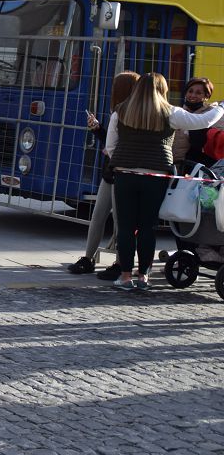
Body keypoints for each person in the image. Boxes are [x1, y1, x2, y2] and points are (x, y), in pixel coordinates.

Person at [105, 72, 224, 291]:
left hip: (125, 175)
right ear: (163, 90)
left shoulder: (120, 111)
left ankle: (124, 276)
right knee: (147, 226)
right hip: (156, 176)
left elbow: (110, 146)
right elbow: (202, 121)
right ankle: (143, 277)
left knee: (126, 227)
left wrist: (124, 162)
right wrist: (221, 108)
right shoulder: (170, 112)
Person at [67, 71, 139, 275]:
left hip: (122, 172)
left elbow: (118, 145)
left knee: (120, 222)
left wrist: (104, 139)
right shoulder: (118, 112)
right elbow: (111, 142)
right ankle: (88, 258)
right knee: (98, 216)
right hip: (110, 171)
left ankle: (120, 263)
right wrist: (98, 129)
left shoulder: (132, 114)